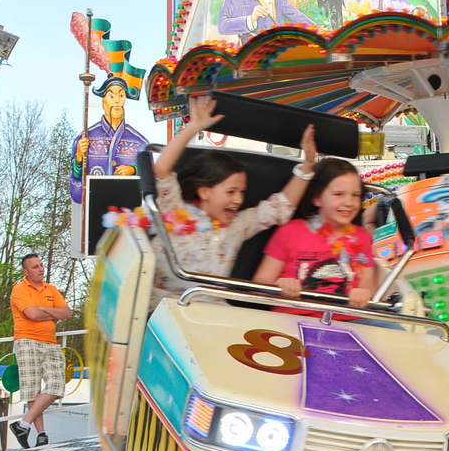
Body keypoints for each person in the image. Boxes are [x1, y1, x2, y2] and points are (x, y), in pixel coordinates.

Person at [153, 94, 317, 277]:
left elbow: (279, 208)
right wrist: (193, 127)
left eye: (242, 192)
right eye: (231, 192)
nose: (238, 199)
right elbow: (161, 170)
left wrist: (308, 165)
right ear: (205, 192)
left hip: (209, 296)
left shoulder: (238, 226)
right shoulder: (174, 210)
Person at [255, 158, 377, 311]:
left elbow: (369, 285)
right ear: (317, 198)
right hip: (291, 319)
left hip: (347, 320)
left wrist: (363, 293)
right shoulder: (289, 232)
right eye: (339, 194)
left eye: (355, 195)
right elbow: (260, 283)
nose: (349, 203)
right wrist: (280, 285)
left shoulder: (362, 237)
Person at [9, 255, 72, 450]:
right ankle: (41, 434)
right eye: (35, 267)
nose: (40, 269)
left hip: (51, 343)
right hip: (27, 341)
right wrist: (52, 312)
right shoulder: (19, 289)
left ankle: (23, 424)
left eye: (41, 265)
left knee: (57, 385)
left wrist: (43, 308)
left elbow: (67, 313)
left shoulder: (51, 289)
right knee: (32, 390)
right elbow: (32, 314)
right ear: (26, 272)